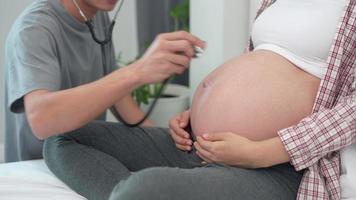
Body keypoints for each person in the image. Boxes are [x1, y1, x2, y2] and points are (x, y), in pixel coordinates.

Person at [43, 0, 356, 200]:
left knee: (141, 191)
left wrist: (259, 152)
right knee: (64, 138)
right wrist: (198, 112)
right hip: (200, 143)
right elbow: (264, 67)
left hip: (272, 166)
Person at [4, 0, 204, 162]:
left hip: (82, 154)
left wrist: (165, 142)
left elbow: (117, 96)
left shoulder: (97, 17)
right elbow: (43, 119)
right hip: (40, 164)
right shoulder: (34, 29)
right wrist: (137, 71)